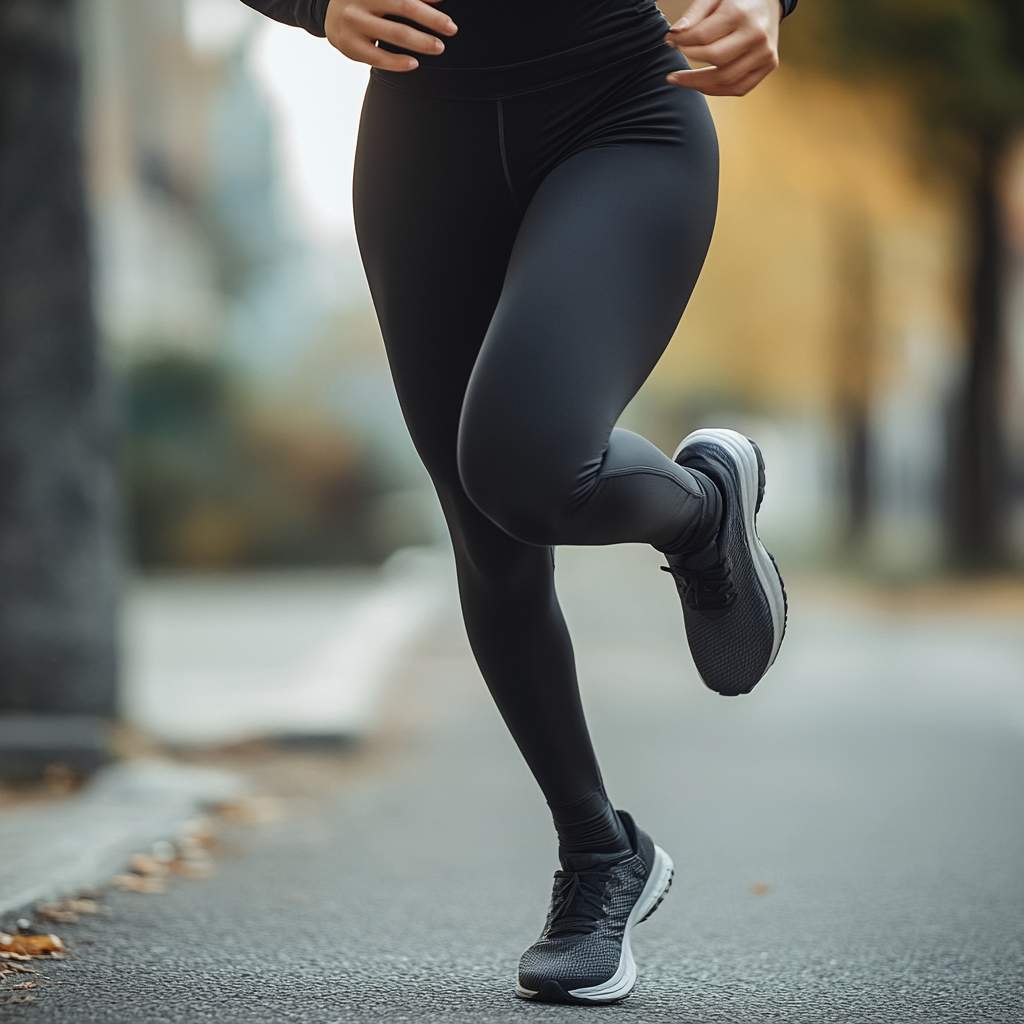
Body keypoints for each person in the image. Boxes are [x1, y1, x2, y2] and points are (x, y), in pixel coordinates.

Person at [243, 0, 793, 1004]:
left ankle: (701, 513)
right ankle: (597, 855)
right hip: (422, 135)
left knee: (522, 467)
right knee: (484, 534)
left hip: (622, 107)